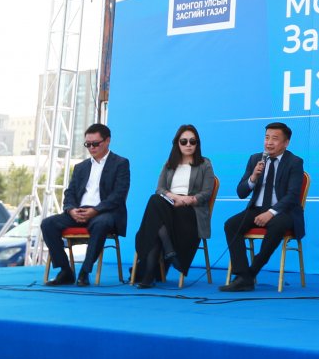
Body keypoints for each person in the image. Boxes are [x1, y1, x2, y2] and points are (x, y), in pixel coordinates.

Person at [219, 122, 305, 292]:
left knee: (277, 225)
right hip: (256, 209)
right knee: (231, 225)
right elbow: (241, 192)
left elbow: (293, 195)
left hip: (283, 211)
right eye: (267, 138)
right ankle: (242, 274)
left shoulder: (294, 162)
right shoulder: (255, 159)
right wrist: (253, 177)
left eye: (275, 139)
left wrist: (271, 212)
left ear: (286, 143)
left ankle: (251, 273)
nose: (269, 143)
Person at [41, 123, 131, 286]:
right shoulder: (81, 167)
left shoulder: (120, 163)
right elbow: (69, 193)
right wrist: (71, 210)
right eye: (88, 144)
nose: (91, 148)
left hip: (105, 213)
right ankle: (65, 271)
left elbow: (118, 195)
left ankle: (84, 272)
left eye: (95, 143)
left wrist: (95, 210)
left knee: (101, 223)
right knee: (48, 224)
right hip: (79, 212)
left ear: (107, 141)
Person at [133, 124, 215, 288]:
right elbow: (160, 189)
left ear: (197, 143)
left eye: (192, 141)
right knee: (155, 201)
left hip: (191, 211)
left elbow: (206, 193)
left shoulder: (205, 164)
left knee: (154, 222)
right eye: (184, 141)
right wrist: (174, 197)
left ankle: (148, 275)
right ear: (177, 143)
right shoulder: (169, 164)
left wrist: (187, 200)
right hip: (169, 206)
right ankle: (169, 251)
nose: (188, 145)